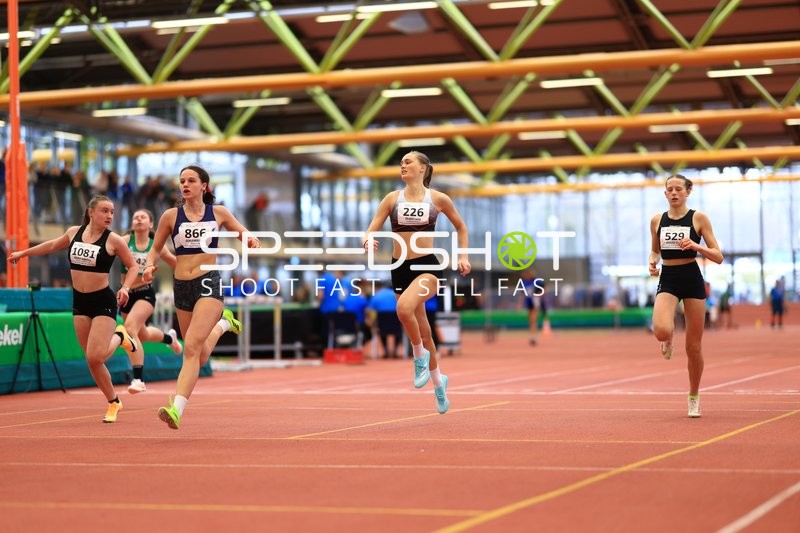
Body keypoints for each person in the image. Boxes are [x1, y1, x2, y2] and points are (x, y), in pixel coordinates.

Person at [142, 165, 260, 430]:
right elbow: (155, 248)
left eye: (191, 180)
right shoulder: (170, 216)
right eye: (182, 181)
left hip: (208, 282)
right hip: (182, 286)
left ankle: (176, 409)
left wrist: (250, 240)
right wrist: (149, 265)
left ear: (204, 186)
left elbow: (243, 232)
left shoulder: (218, 213)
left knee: (192, 349)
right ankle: (224, 324)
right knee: (200, 354)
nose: (185, 184)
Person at [7, 195, 140, 423]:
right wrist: (23, 253)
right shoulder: (73, 233)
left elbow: (133, 265)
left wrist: (126, 287)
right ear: (91, 212)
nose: (109, 216)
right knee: (92, 361)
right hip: (80, 301)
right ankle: (113, 402)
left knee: (95, 354)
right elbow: (51, 245)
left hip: (103, 301)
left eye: (112, 212)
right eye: (104, 211)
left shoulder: (114, 240)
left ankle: (120, 335)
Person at [363, 151, 471, 414]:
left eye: (408, 162)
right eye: (400, 162)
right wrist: (367, 240)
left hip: (427, 267)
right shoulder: (391, 199)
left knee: (402, 310)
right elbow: (372, 227)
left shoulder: (438, 198)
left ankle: (419, 357)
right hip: (399, 267)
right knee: (424, 332)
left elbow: (461, 227)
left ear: (423, 168)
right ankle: (439, 385)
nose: (403, 165)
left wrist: (463, 256)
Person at [648, 174, 723, 418]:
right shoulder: (657, 220)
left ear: (688, 192)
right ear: (665, 193)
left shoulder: (699, 218)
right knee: (660, 329)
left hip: (691, 276)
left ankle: (693, 395)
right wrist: (652, 262)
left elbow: (718, 256)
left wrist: (696, 246)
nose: (673, 193)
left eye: (678, 189)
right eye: (669, 189)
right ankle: (667, 338)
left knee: (694, 346)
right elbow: (654, 250)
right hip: (668, 276)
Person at [119, 209, 183, 394]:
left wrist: (195, 270)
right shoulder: (124, 241)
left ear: (151, 224)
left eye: (143, 217)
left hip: (145, 294)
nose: (138, 219)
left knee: (130, 329)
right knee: (143, 335)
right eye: (135, 217)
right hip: (126, 295)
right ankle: (170, 338)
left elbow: (175, 262)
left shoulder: (156, 246)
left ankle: (138, 379)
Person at [520, 269, 546, 346]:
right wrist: (520, 304)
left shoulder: (536, 281)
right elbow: (522, 294)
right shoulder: (524, 282)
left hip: (534, 301)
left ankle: (534, 337)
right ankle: (532, 335)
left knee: (533, 319)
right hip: (528, 302)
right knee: (530, 320)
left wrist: (540, 295)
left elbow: (544, 289)